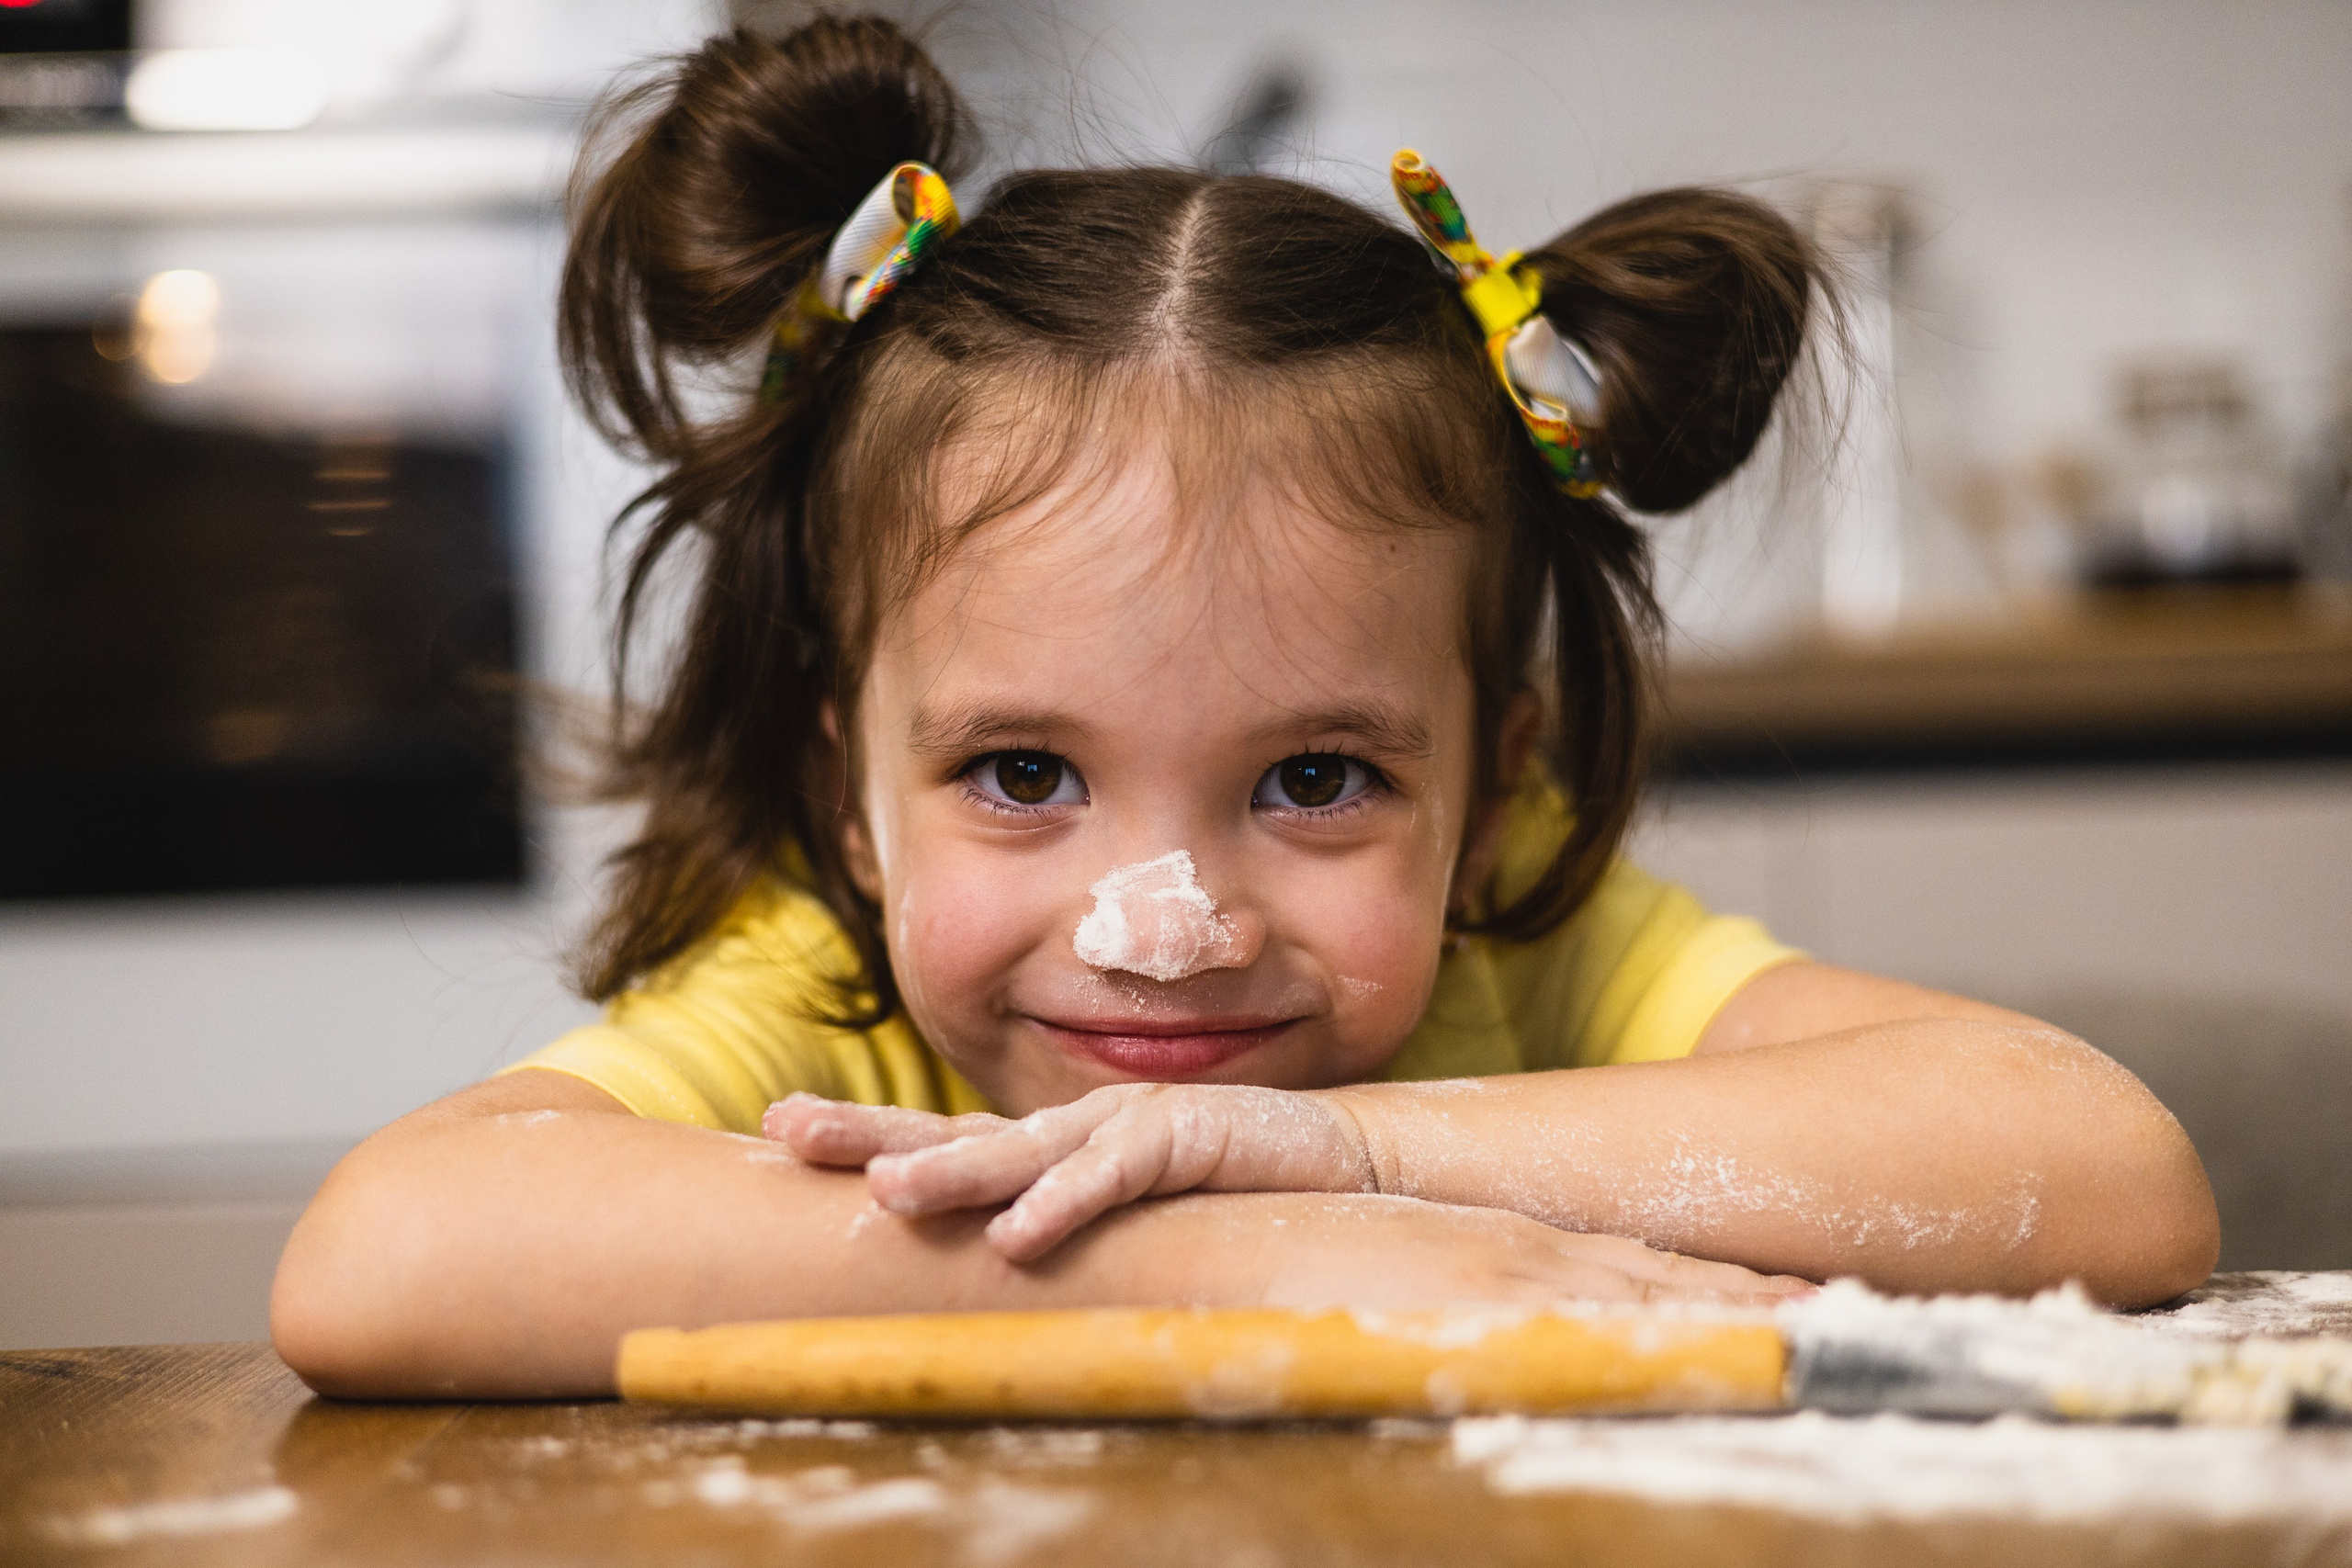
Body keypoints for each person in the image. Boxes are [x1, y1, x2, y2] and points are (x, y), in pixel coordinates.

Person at [271, 16, 2218, 1399]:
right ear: (847, 797)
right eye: (1021, 771)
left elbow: (2103, 1167)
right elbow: (382, 1253)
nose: (1165, 920)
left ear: (1488, 788)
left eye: (1314, 777)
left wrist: (1355, 1159)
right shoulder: (838, 993)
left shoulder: (1521, 933)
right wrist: (1211, 1250)